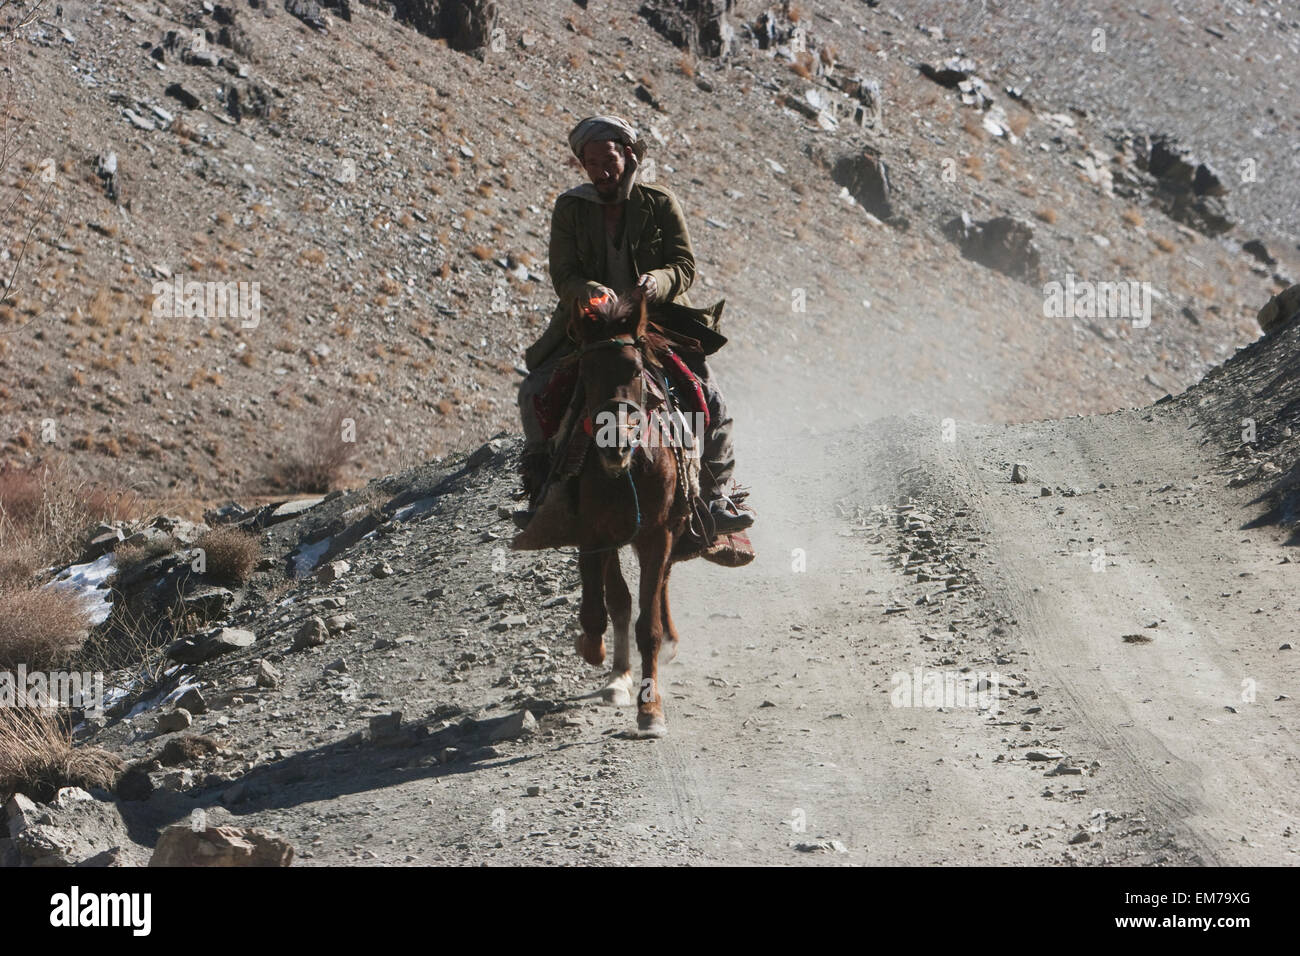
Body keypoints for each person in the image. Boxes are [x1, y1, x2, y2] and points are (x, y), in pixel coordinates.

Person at [517, 114, 753, 534]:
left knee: (709, 398)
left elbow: (684, 265)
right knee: (535, 391)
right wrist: (588, 290)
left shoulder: (659, 202)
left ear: (628, 153)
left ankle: (714, 497)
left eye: (606, 159)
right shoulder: (570, 208)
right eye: (589, 163)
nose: (599, 171)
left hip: (656, 322)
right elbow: (563, 275)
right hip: (591, 325)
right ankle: (542, 496)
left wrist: (657, 282)